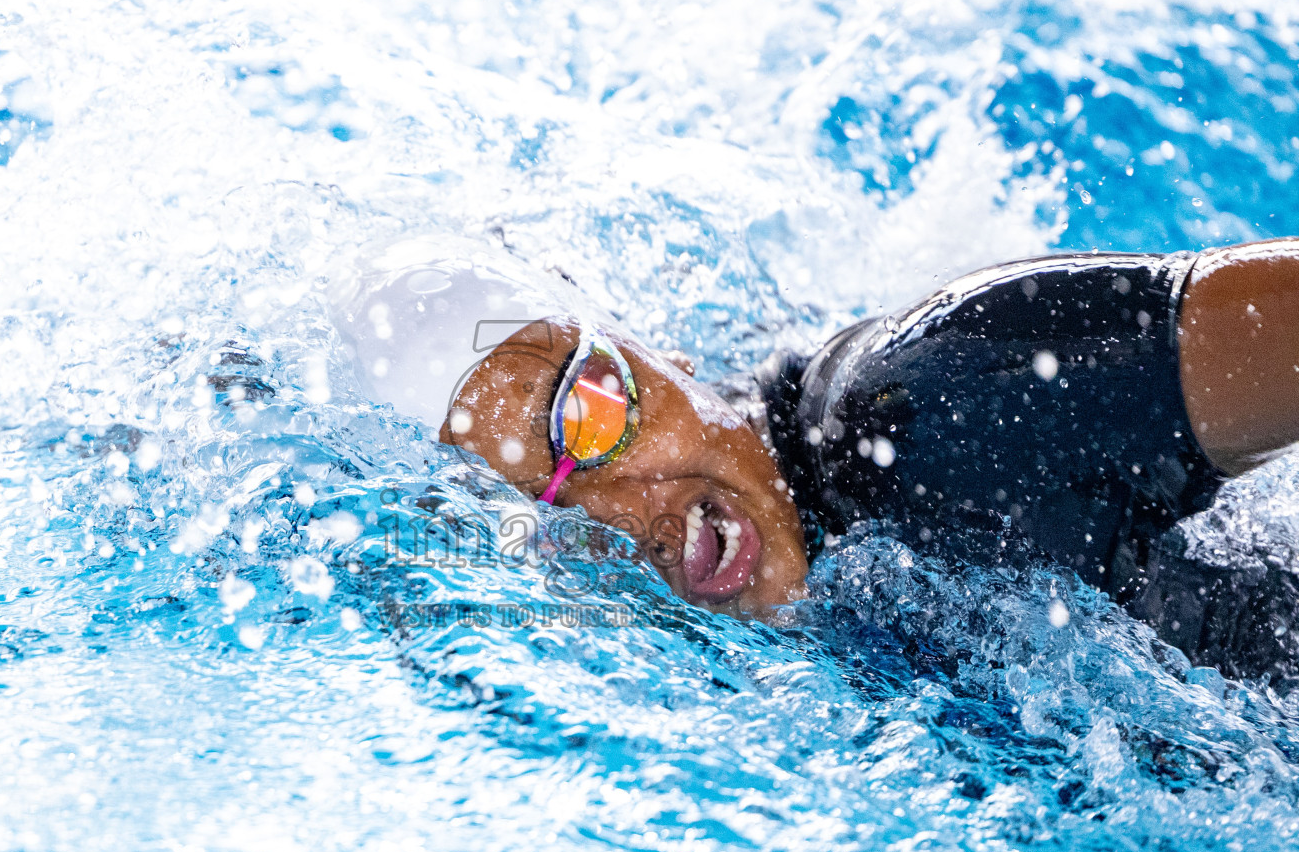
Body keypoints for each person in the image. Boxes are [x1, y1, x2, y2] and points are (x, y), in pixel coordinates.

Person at [330, 236, 1299, 633]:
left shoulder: (934, 401)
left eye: (586, 418)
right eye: (543, 510)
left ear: (644, 345)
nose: (632, 518)